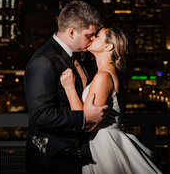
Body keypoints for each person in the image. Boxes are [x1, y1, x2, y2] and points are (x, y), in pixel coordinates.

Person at [60, 27, 162, 174]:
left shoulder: (103, 76)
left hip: (103, 146)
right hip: (107, 140)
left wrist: (69, 88)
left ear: (108, 46)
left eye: (98, 36)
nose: (92, 37)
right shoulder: (110, 73)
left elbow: (84, 123)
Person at [24, 0, 109, 174]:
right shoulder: (43, 61)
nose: (93, 39)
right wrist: (83, 118)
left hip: (74, 156)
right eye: (88, 35)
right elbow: (41, 115)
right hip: (52, 159)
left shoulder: (76, 57)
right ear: (71, 32)